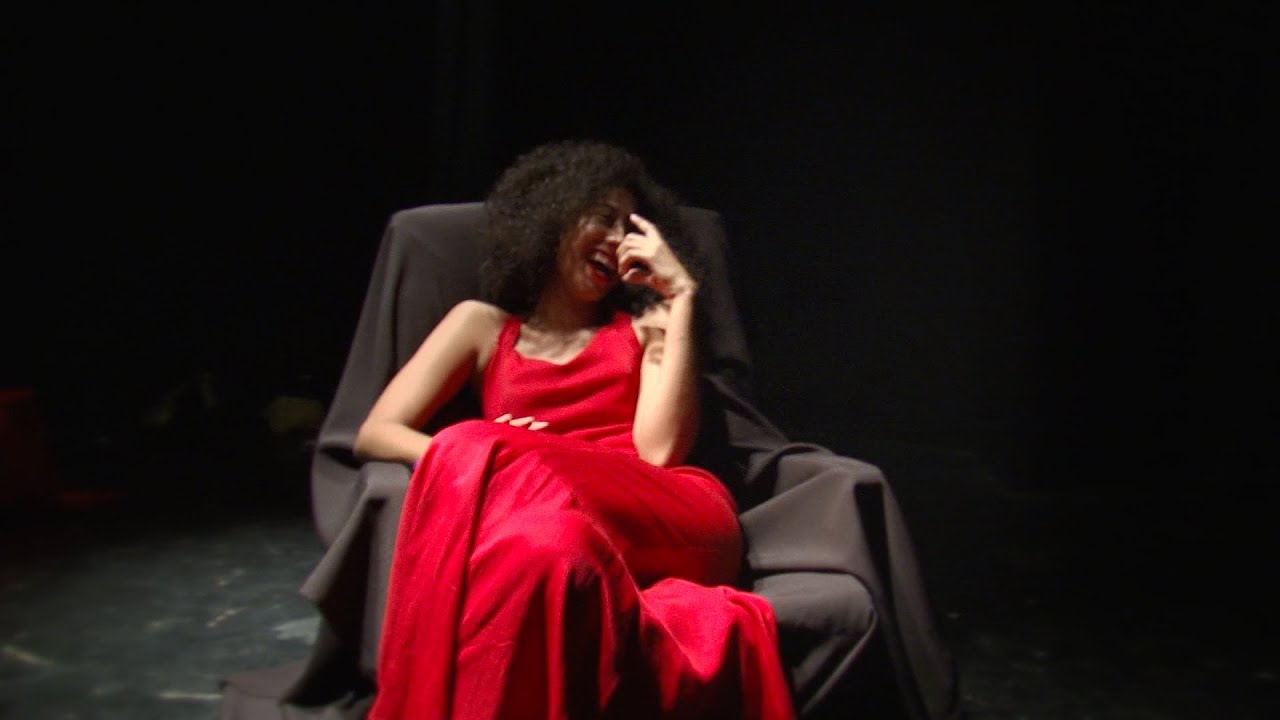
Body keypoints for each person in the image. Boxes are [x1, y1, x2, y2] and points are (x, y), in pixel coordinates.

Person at [356, 140, 796, 719]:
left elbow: (659, 453)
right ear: (552, 217)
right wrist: (505, 460)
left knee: (475, 444)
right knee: (539, 546)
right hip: (548, 523)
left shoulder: (646, 327)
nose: (618, 240)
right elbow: (378, 431)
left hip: (671, 514)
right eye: (604, 218)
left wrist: (683, 295)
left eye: (630, 227)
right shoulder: (481, 326)